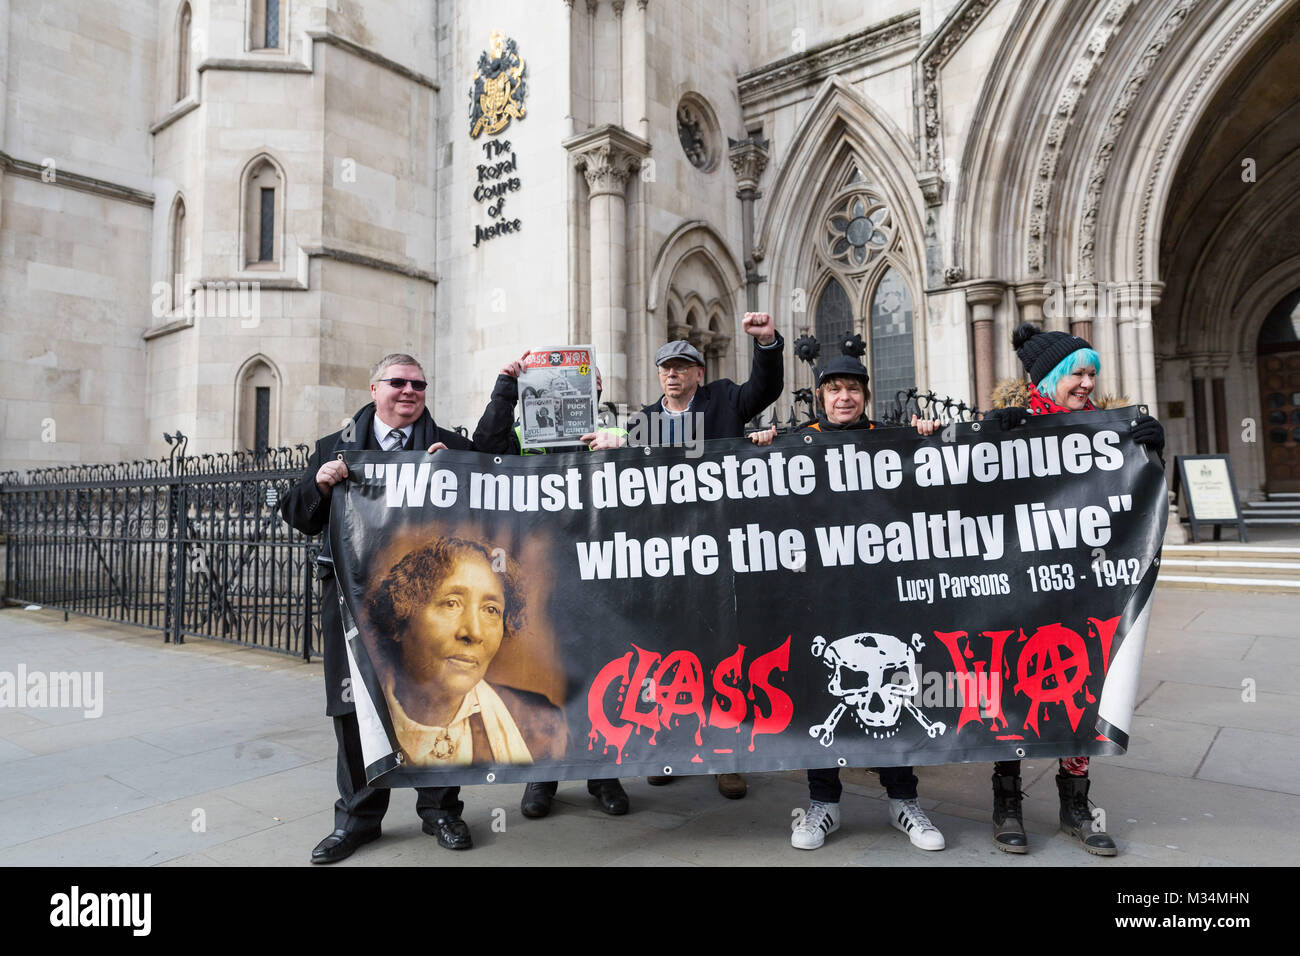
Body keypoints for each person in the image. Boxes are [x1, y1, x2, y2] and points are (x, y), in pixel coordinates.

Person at [280, 352, 509, 863]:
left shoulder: (451, 446)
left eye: (419, 385)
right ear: (374, 387)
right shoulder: (333, 448)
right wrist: (320, 483)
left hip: (433, 610)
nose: (409, 391)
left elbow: (497, 485)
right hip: (352, 603)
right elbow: (297, 515)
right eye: (399, 382)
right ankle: (358, 819)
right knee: (354, 706)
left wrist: (458, 469)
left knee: (438, 701)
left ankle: (442, 810)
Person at [979, 323, 1165, 856]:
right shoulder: (1014, 424)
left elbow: (1139, 500)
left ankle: (1076, 805)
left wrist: (1151, 449)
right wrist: (993, 433)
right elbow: (966, 488)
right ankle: (1007, 803)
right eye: (1076, 374)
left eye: (1091, 373)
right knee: (1014, 688)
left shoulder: (1108, 428)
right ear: (1050, 378)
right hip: (1019, 584)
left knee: (1082, 687)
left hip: (1083, 586)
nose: (1086, 383)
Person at [785, 351, 945, 852]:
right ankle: (822, 804)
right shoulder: (799, 443)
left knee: (894, 687)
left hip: (883, 591)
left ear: (865, 396)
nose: (844, 397)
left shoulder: (890, 439)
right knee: (822, 694)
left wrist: (936, 439)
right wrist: (760, 444)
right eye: (834, 388)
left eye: (852, 388)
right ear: (821, 396)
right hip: (823, 594)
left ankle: (904, 800)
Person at [630, 312, 785, 799]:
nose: (673, 374)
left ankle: (726, 756)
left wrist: (767, 343)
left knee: (723, 653)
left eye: (682, 367)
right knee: (670, 654)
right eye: (666, 368)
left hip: (721, 550)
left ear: (699, 372)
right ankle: (673, 750)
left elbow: (764, 388)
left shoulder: (723, 400)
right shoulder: (644, 422)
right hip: (667, 557)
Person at [472, 355, 631, 818]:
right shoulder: (522, 440)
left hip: (599, 582)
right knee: (544, 680)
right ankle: (542, 778)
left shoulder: (612, 436)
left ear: (596, 395)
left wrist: (618, 446)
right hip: (538, 584)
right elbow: (486, 447)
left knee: (599, 682)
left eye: (587, 386)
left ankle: (604, 775)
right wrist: (506, 385)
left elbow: (657, 464)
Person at [365, 536, 566, 766]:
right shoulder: (367, 715)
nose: (474, 632)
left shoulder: (541, 724)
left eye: (491, 610)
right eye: (451, 603)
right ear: (399, 619)